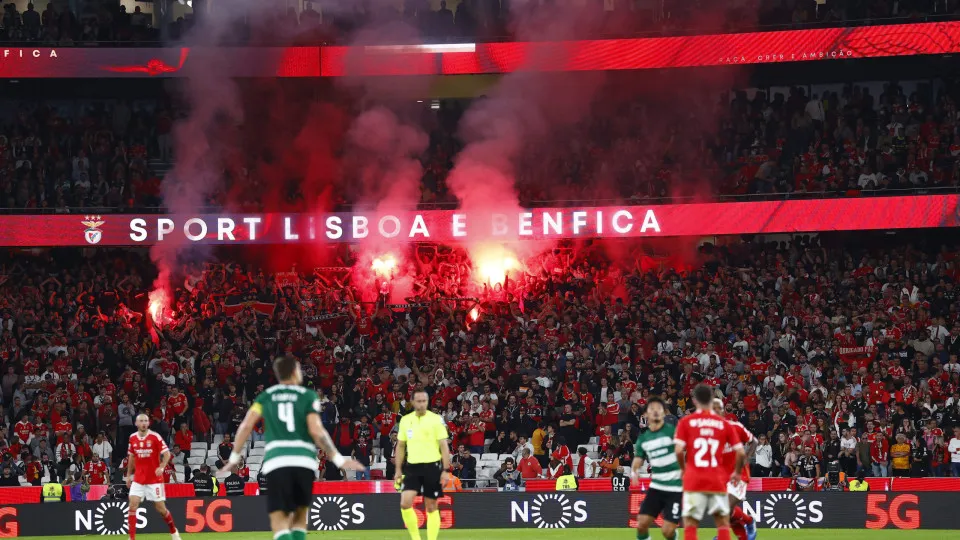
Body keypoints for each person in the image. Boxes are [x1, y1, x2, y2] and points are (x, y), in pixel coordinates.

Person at [220, 357, 364, 540]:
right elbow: (317, 431)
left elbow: (246, 426)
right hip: (302, 459)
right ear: (295, 373)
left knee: (279, 517)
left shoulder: (266, 396)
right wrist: (337, 458)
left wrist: (234, 457)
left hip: (277, 459)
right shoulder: (307, 396)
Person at [674, 385, 745, 540]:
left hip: (694, 477)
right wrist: (737, 472)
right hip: (716, 478)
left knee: (691, 524)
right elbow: (740, 452)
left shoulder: (686, 422)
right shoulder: (723, 423)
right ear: (711, 400)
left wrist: (683, 470)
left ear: (694, 400)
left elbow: (678, 450)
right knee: (722, 523)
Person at [394, 390, 452, 540]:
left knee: (431, 506)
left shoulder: (436, 419)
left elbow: (444, 446)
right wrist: (398, 470)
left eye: (424, 401)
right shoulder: (406, 420)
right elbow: (400, 446)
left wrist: (446, 469)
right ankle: (416, 538)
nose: (422, 404)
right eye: (418, 401)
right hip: (412, 467)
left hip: (432, 467)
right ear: (412, 402)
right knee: (405, 503)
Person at [631, 397, 681, 540]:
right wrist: (634, 470)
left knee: (667, 531)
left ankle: (673, 535)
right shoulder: (644, 438)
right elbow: (639, 459)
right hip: (656, 487)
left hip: (674, 488)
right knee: (641, 525)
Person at [125, 413, 180, 540]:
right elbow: (131, 457)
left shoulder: (155, 437)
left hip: (154, 480)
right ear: (136, 423)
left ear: (148, 423)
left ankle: (173, 531)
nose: (144, 423)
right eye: (141, 421)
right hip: (138, 479)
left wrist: (161, 466)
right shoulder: (132, 438)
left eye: (146, 421)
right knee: (132, 505)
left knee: (161, 509)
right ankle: (131, 538)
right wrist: (128, 475)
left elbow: (167, 454)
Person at [711, 398, 757, 540]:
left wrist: (747, 456)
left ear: (723, 411)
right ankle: (747, 524)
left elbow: (753, 441)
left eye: (718, 409)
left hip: (739, 474)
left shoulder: (735, 427)